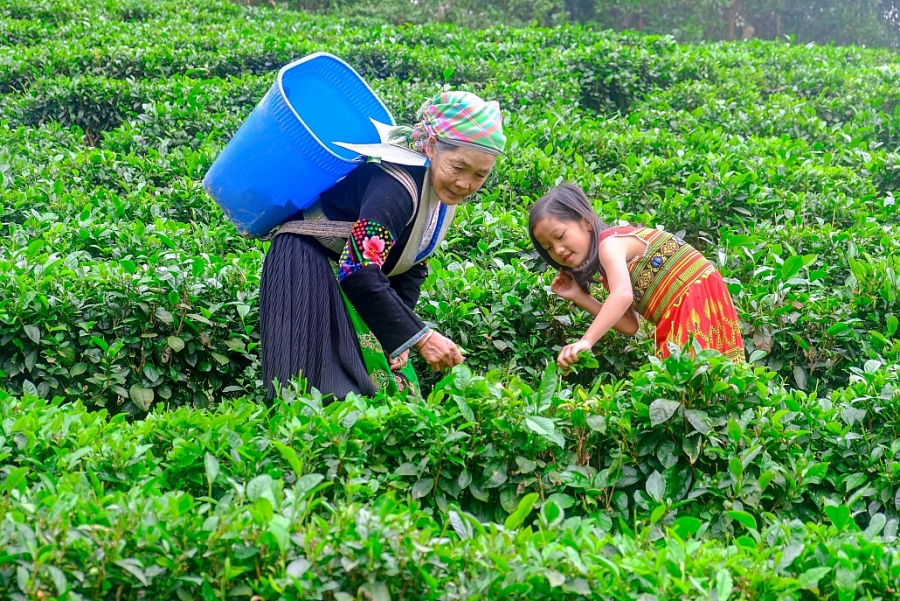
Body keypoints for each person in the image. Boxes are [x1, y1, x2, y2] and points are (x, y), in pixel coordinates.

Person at [260, 90, 506, 400]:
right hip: (306, 264)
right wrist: (421, 337)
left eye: (479, 175)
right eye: (458, 168)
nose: (465, 184)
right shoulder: (398, 185)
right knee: (315, 392)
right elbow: (358, 267)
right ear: (431, 147)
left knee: (384, 391)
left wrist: (398, 337)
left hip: (340, 275)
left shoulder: (441, 199)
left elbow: (412, 264)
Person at [528, 183, 745, 371]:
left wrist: (586, 341)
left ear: (585, 222)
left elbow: (623, 295)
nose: (558, 250)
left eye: (560, 236)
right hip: (698, 297)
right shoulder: (608, 263)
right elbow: (631, 326)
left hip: (691, 301)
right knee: (710, 379)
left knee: (684, 382)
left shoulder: (609, 245)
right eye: (548, 247)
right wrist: (579, 296)